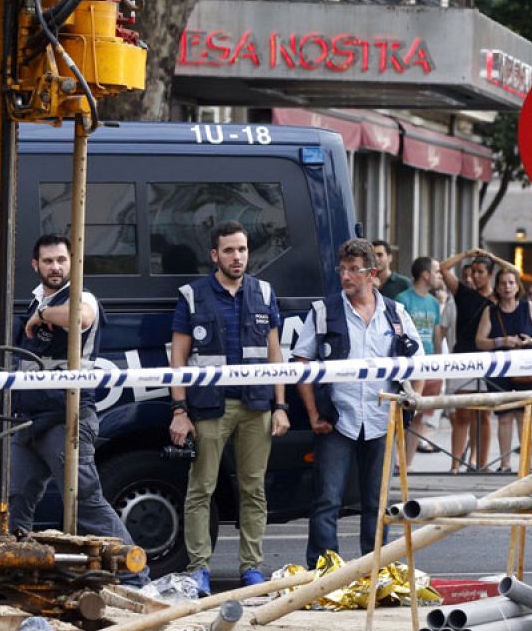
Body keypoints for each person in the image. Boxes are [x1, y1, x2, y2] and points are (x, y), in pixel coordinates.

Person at [168, 220, 291, 595]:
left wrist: (281, 406)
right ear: (214, 255)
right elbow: (178, 360)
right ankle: (199, 570)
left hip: (257, 406)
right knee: (200, 490)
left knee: (254, 490)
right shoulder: (192, 296)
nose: (237, 257)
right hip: (210, 407)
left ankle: (251, 569)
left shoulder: (263, 293)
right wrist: (179, 411)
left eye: (242, 249)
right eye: (229, 250)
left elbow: (275, 355)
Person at [294, 239, 422, 565]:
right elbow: (302, 364)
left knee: (377, 504)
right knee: (327, 500)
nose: (345, 276)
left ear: (372, 274)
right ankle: (323, 572)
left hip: (382, 420)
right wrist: (313, 414)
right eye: (342, 269)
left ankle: (374, 568)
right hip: (337, 420)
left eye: (354, 270)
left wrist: (412, 401)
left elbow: (418, 361)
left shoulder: (395, 313)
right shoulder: (323, 312)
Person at [8, 234, 135, 552]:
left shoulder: (81, 297)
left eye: (62, 260)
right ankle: (15, 567)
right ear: (35, 265)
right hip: (28, 422)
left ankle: (134, 571)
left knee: (85, 504)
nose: (56, 267)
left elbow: (81, 317)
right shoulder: (37, 299)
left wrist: (42, 316)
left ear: (73, 263)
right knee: (14, 500)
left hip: (66, 419)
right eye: (48, 261)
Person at [439, 248, 520, 472]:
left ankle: (482, 464)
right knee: (461, 414)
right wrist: (466, 254)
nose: (475, 276)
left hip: (488, 359)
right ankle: (455, 465)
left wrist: (493, 257)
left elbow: (515, 272)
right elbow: (443, 268)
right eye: (473, 271)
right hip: (463, 357)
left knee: (483, 415)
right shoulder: (463, 292)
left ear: (490, 274)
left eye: (481, 271)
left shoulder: (498, 298)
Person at [475, 267, 532, 473]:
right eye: (503, 283)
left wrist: (529, 341)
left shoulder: (527, 306)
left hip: (525, 366)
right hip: (500, 369)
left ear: (517, 286)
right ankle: (505, 463)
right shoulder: (490, 311)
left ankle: (526, 464)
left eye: (511, 282)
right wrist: (501, 341)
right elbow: (480, 341)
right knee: (504, 416)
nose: (507, 287)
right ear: (497, 287)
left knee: (524, 416)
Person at [394, 256, 444, 464]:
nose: (440, 276)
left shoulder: (434, 303)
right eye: (437, 271)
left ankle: (407, 465)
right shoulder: (403, 299)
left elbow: (436, 335)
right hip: (409, 366)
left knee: (420, 416)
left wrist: (439, 364)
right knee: (402, 413)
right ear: (425, 274)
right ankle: (395, 461)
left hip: (429, 366)